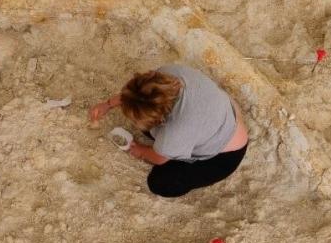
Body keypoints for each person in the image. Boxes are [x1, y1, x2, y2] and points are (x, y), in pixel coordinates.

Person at [89, 65, 248, 197]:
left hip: (224, 156)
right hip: (225, 113)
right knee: (154, 132)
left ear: (161, 119)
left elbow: (159, 159)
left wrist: (140, 151)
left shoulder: (176, 132)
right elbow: (139, 92)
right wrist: (108, 104)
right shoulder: (168, 73)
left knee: (161, 183)